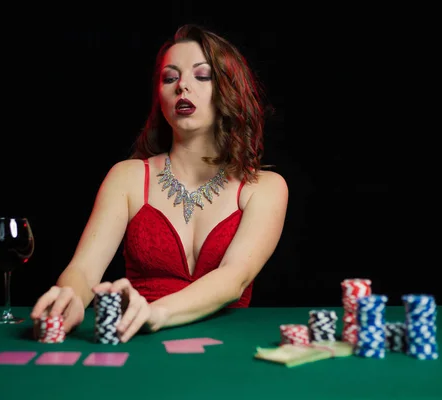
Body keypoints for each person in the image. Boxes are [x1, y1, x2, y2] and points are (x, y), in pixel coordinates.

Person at [31, 24, 288, 342]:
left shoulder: (265, 186)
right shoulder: (126, 177)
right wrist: (69, 295)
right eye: (170, 78)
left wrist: (155, 313)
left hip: (230, 350)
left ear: (228, 89)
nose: (182, 86)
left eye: (201, 76)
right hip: (140, 343)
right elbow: (83, 270)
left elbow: (233, 279)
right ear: (160, 96)